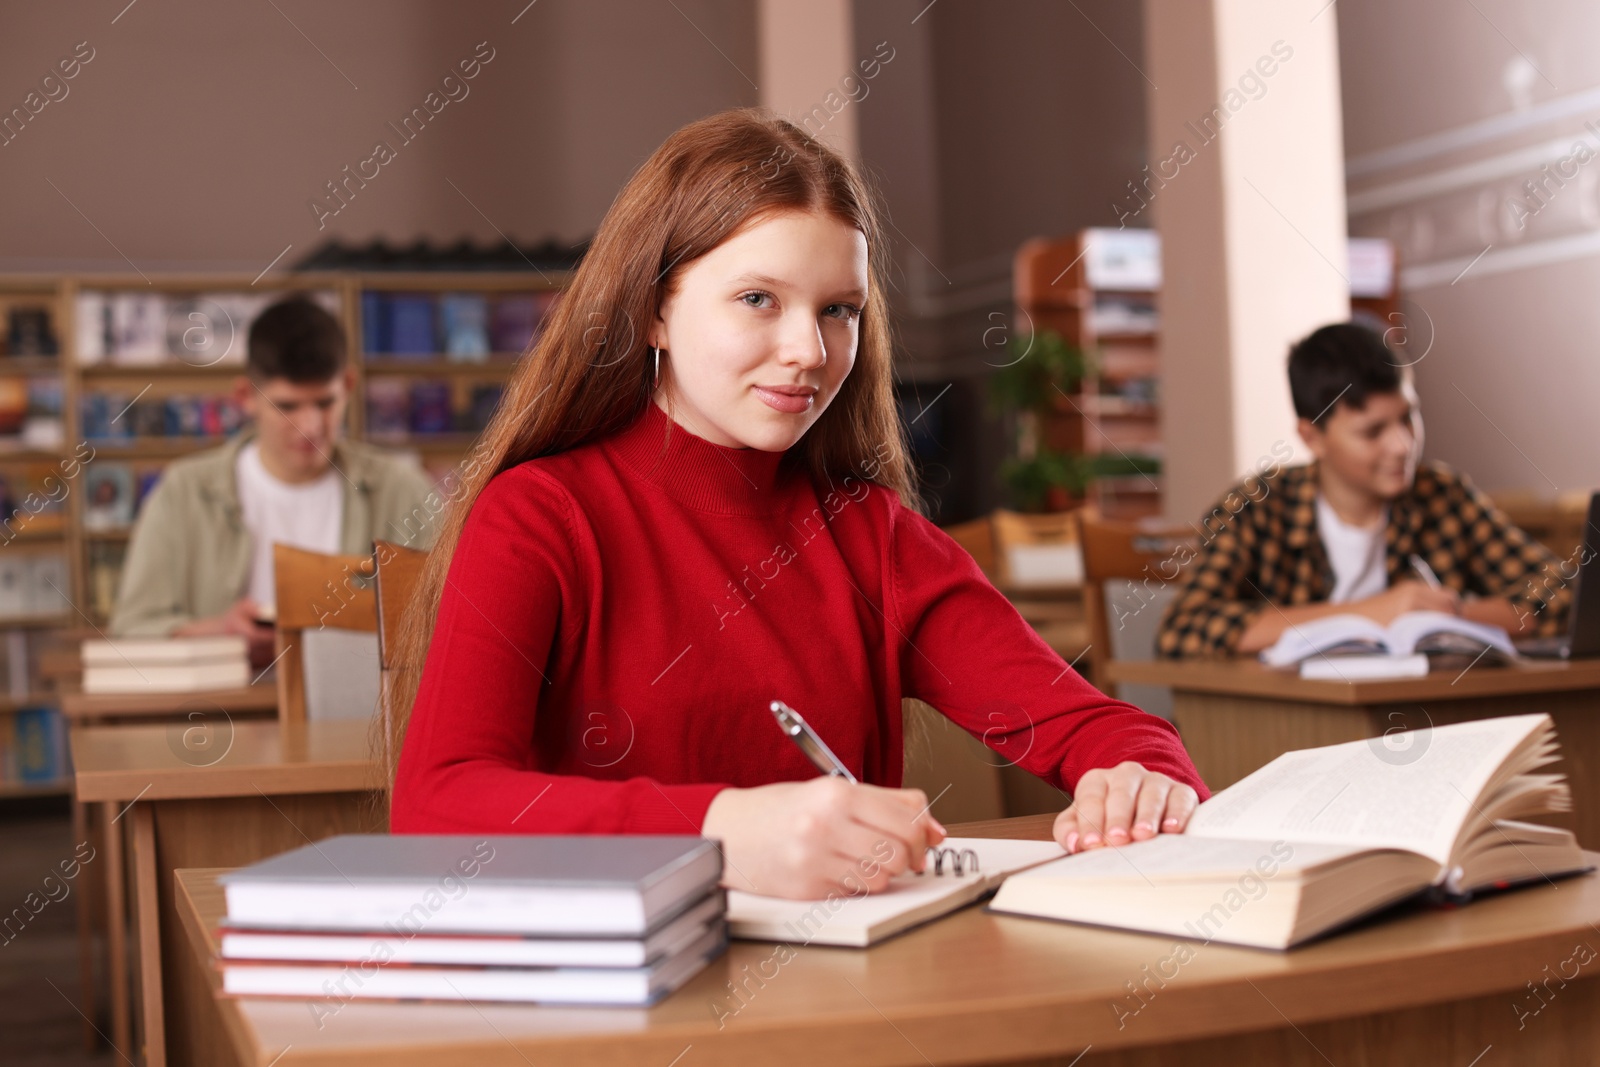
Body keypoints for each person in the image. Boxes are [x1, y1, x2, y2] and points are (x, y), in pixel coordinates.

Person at [389, 108, 1208, 902]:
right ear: (653, 311)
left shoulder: (871, 535)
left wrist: (1137, 778)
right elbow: (435, 810)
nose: (809, 352)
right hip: (622, 1008)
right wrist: (718, 829)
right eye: (758, 299)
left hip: (844, 1000)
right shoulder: (539, 514)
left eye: (838, 310)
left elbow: (1106, 729)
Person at [1157, 321, 1572, 658]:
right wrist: (1374, 613)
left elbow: (1563, 594)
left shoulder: (1442, 494)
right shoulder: (1255, 507)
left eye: (1408, 418)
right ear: (1312, 436)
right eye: (1372, 432)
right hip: (1294, 727)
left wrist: (1451, 613)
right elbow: (1183, 631)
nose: (1402, 446)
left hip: (1423, 720)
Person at [110, 295, 438, 667]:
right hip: (225, 712)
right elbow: (132, 629)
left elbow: (449, 621)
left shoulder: (404, 490)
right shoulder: (184, 492)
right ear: (245, 397)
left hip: (362, 716)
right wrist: (218, 632)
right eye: (287, 406)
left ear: (348, 385)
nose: (310, 426)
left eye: (325, 403)